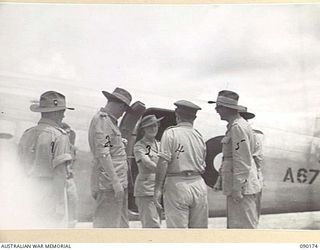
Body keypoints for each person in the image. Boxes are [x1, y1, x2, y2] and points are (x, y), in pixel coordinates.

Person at [18, 91, 75, 228]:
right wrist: (60, 205)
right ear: (54, 113)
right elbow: (60, 173)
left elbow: (19, 167)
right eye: (61, 111)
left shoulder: (27, 134)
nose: (63, 115)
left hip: (28, 191)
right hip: (50, 194)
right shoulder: (59, 136)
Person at [208, 90, 261, 229]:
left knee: (242, 229)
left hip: (241, 188)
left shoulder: (238, 127)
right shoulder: (236, 126)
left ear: (226, 108)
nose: (216, 110)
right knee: (237, 227)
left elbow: (242, 160)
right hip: (238, 186)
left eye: (218, 107)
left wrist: (238, 188)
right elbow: (229, 158)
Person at [153, 100, 208, 228]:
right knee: (199, 233)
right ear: (194, 117)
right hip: (199, 183)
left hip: (177, 184)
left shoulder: (170, 133)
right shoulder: (199, 136)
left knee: (177, 233)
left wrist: (157, 189)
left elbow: (163, 162)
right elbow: (203, 164)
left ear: (177, 115)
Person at [88, 87, 132, 228]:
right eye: (123, 109)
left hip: (116, 183)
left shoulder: (109, 122)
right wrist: (115, 182)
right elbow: (104, 153)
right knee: (107, 227)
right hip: (110, 185)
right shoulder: (103, 121)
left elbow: (108, 147)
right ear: (120, 105)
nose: (122, 114)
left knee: (120, 225)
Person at [133, 115, 163, 228]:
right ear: (144, 129)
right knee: (151, 225)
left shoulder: (160, 145)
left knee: (157, 223)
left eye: (155, 125)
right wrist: (165, 172)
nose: (153, 129)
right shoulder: (139, 146)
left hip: (158, 189)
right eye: (149, 126)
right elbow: (148, 163)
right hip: (146, 190)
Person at [239, 108, 264, 218]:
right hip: (254, 178)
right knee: (251, 214)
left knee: (247, 215)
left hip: (249, 179)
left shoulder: (245, 135)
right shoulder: (254, 135)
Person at [60, 122, 79, 228]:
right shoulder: (57, 146)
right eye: (66, 133)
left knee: (73, 201)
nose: (68, 135)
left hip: (69, 179)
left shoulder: (72, 148)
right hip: (60, 179)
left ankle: (72, 226)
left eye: (69, 133)